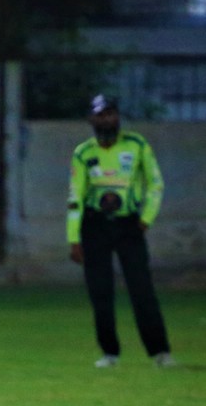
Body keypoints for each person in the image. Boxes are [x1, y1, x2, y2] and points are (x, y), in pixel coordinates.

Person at [67, 95, 174, 368]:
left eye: (110, 114)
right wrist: (74, 238)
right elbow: (75, 197)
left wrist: (146, 219)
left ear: (118, 117)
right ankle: (109, 353)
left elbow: (156, 184)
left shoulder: (136, 145)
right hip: (95, 226)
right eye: (100, 115)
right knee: (100, 292)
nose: (106, 120)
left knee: (142, 290)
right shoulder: (83, 153)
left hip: (129, 225)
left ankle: (160, 352)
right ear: (91, 119)